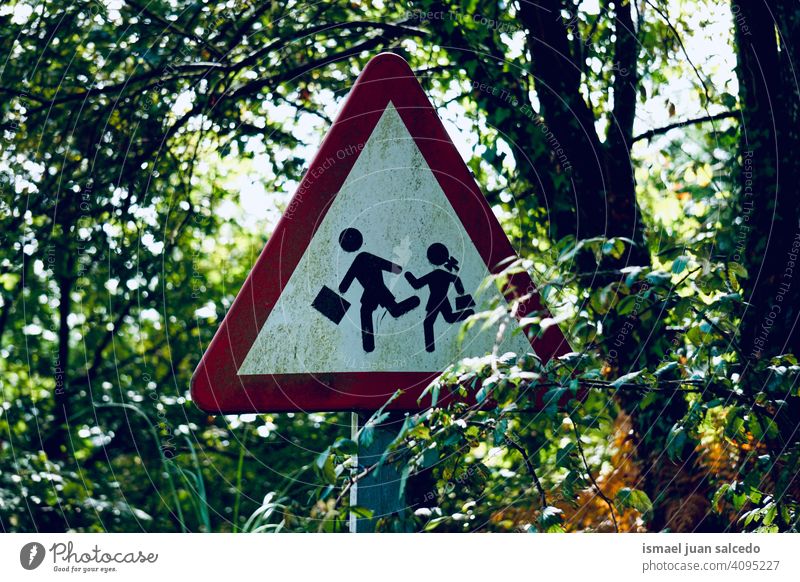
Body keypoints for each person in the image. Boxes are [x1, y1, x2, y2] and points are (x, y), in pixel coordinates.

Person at [338, 228, 420, 352]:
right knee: (391, 310)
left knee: (367, 311)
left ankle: (368, 344)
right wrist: (396, 268)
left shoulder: (361, 258)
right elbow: (394, 268)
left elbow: (344, 284)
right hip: (378, 289)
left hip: (373, 290)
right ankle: (414, 301)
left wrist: (343, 288)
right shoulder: (365, 257)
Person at [404, 242, 474, 352]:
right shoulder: (442, 273)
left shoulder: (436, 273)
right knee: (449, 317)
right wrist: (460, 290)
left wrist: (408, 276)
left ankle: (430, 348)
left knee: (428, 323)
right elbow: (456, 279)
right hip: (443, 300)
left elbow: (417, 283)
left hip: (436, 300)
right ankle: (469, 313)